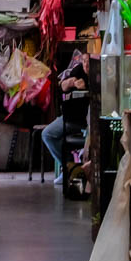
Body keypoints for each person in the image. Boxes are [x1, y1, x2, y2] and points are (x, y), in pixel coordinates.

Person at [42, 50, 88, 184]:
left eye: (89, 62)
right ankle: (68, 165)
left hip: (88, 120)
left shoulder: (99, 74)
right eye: (84, 61)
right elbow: (62, 85)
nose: (86, 65)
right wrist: (71, 83)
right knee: (47, 134)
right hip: (70, 118)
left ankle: (78, 169)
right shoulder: (78, 70)